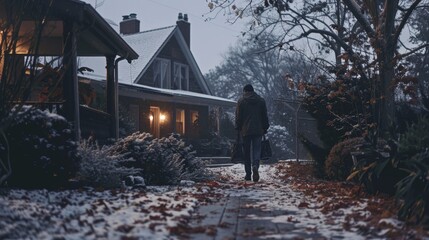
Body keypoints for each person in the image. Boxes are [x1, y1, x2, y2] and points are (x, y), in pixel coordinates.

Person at [235, 84, 269, 182]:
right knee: (256, 150)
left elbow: (238, 117)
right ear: (253, 91)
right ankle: (255, 166)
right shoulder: (261, 101)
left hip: (245, 130)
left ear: (245, 91)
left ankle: (248, 174)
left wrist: (238, 128)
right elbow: (264, 116)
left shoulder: (241, 101)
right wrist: (265, 127)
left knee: (246, 152)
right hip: (258, 130)